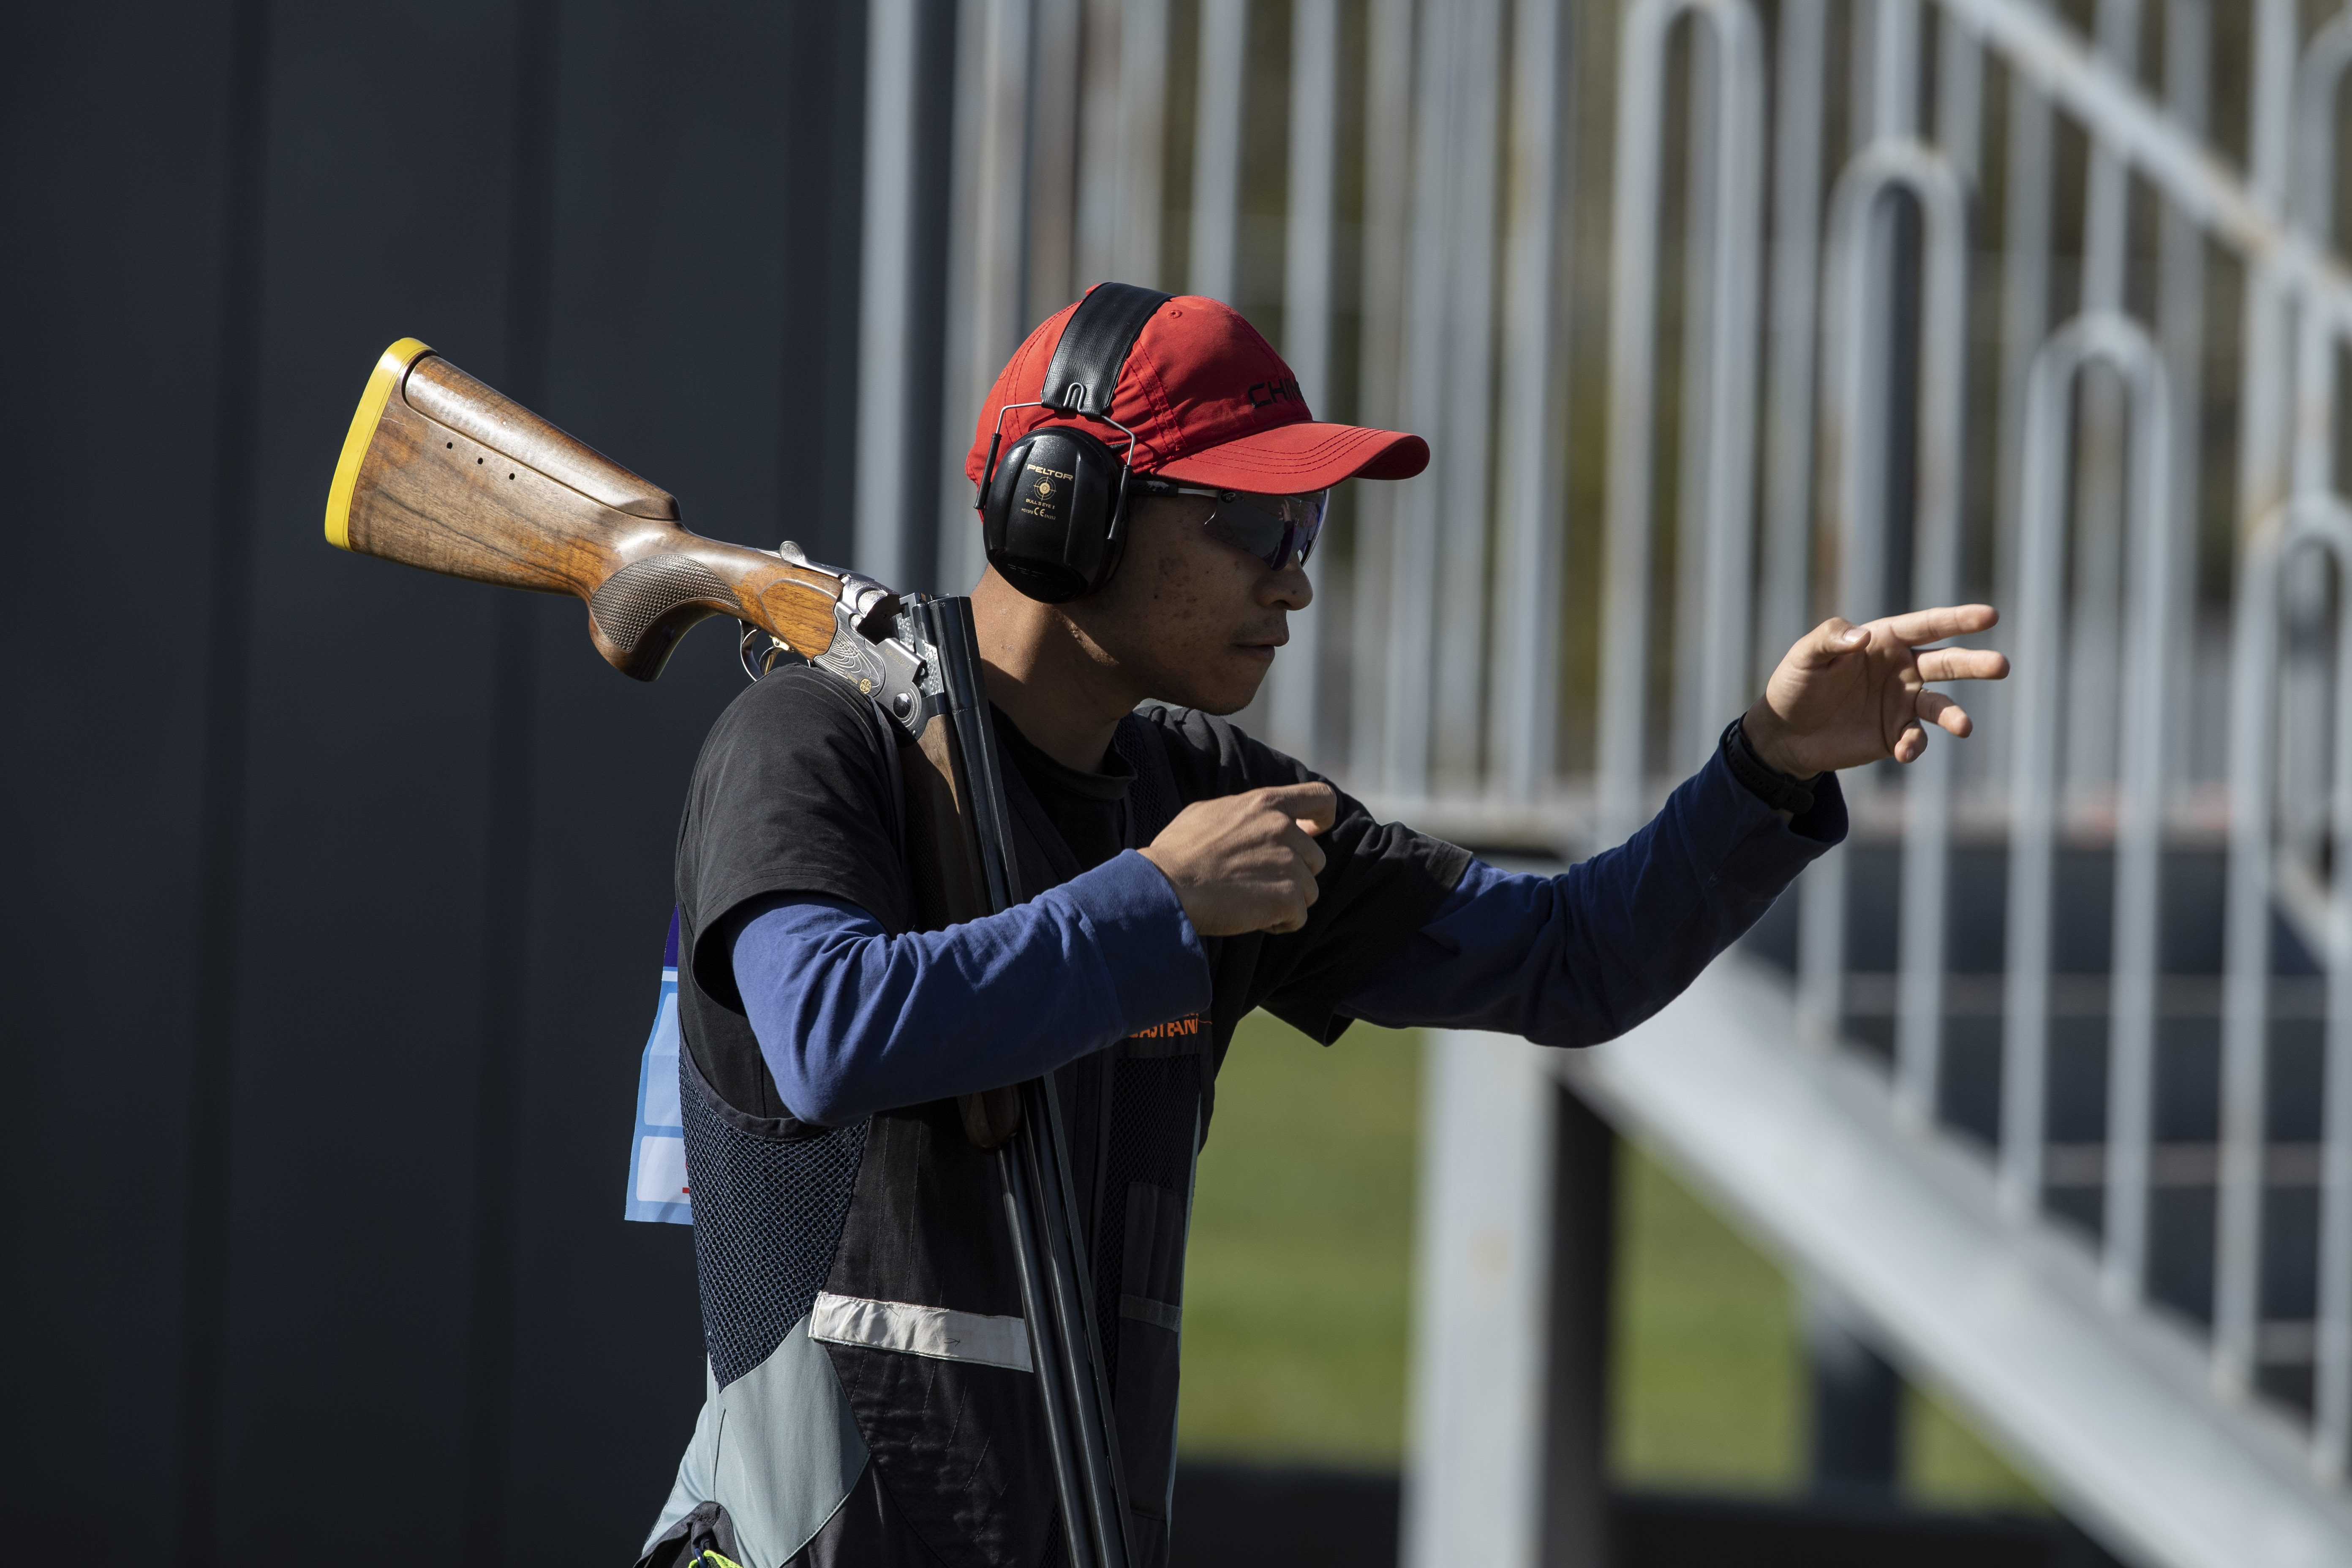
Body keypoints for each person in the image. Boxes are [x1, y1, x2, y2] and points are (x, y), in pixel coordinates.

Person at [637, 284, 2006, 1568]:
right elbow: (827, 1030)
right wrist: (1158, 906)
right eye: (1255, 526)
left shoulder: (1203, 796)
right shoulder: (814, 739)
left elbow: (1570, 963)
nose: (1294, 581)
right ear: (1070, 509)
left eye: (1309, 534)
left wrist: (1766, 766)